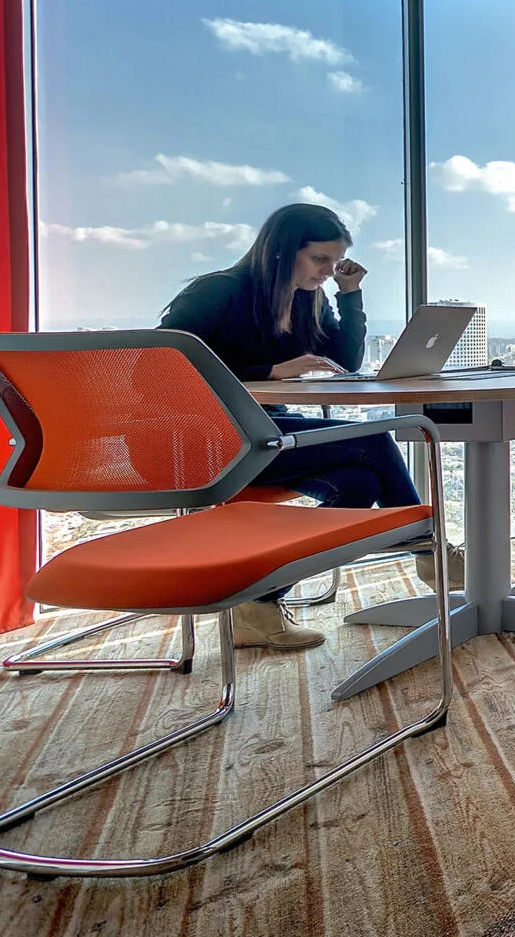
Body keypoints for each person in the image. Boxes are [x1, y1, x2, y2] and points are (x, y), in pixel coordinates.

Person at [161, 203, 459, 650]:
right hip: (209, 443)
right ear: (281, 252)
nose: (327, 270)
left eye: (335, 262)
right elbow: (160, 372)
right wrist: (269, 370)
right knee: (374, 436)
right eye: (320, 260)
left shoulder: (307, 298)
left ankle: (256, 608)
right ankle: (425, 543)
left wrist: (350, 292)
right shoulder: (217, 292)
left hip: (264, 434)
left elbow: (344, 362)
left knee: (357, 484)